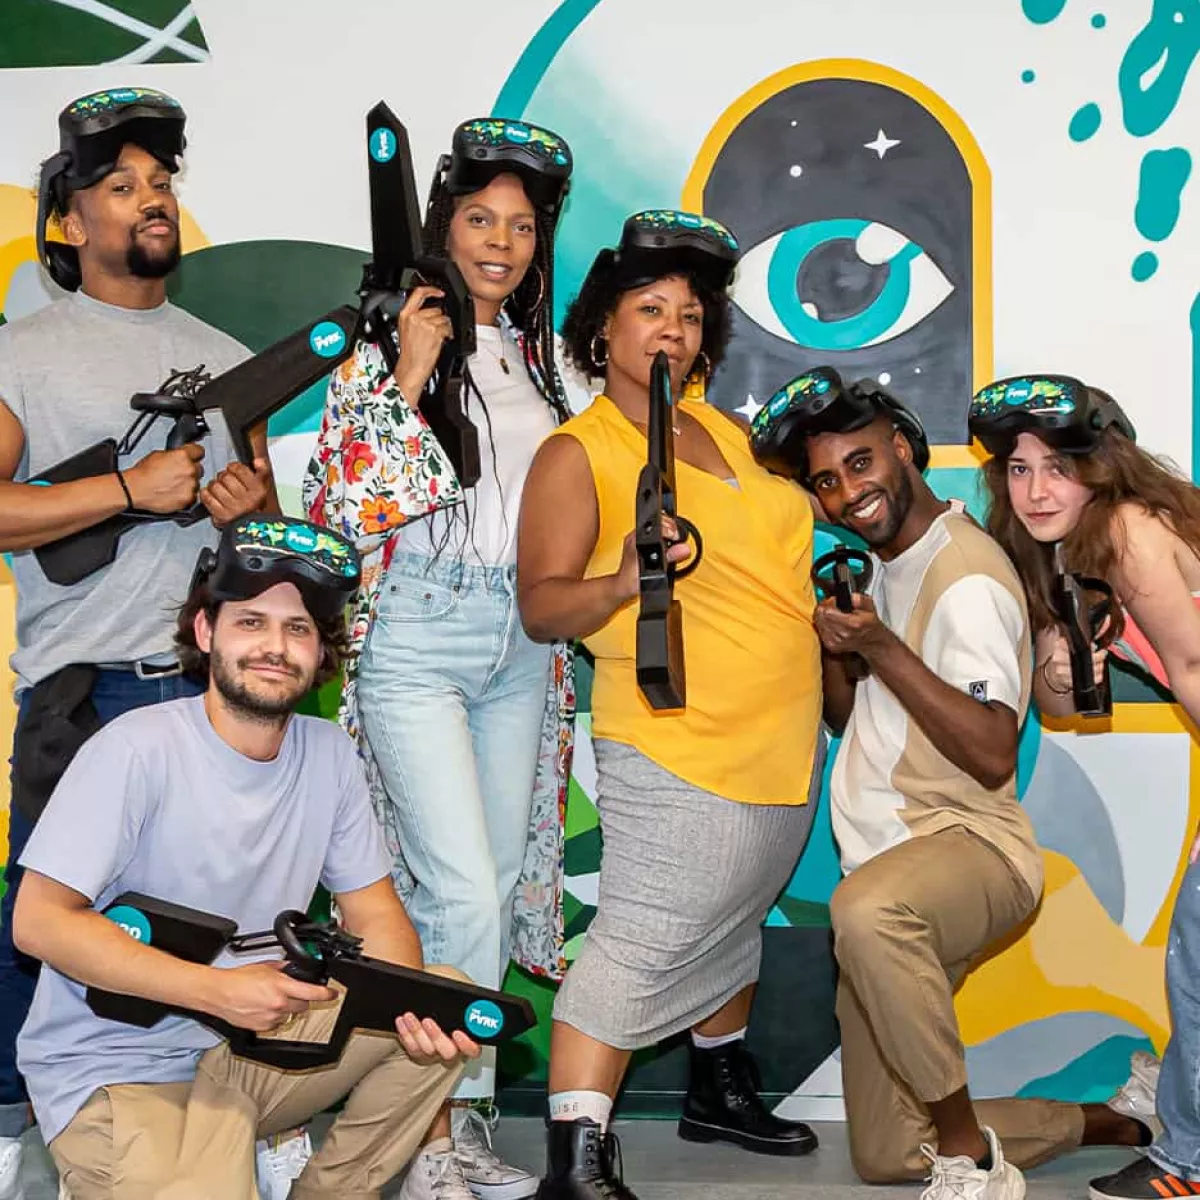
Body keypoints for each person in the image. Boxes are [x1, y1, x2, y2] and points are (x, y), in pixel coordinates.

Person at [752, 367, 1158, 1200]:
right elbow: (849, 721)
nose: (846, 494)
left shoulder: (964, 572)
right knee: (888, 1153)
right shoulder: (883, 566)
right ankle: (1094, 1123)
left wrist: (882, 649)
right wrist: (842, 648)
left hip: (968, 850)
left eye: (861, 465)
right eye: (826, 482)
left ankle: (969, 1155)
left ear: (903, 449)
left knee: (866, 912)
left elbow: (991, 751)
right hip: (891, 862)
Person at [11, 515, 481, 1199]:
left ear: (323, 653)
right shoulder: (134, 749)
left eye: (298, 630)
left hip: (247, 1051)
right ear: (206, 633)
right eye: (251, 623)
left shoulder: (329, 755)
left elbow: (377, 918)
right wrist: (219, 992)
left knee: (441, 997)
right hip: (119, 1069)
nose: (275, 647)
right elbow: (40, 924)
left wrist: (407, 1008)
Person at [0, 86, 277, 1196]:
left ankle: (202, 1113)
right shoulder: (24, 350)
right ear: (69, 220)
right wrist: (125, 488)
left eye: (161, 183)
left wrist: (241, 507)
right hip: (83, 690)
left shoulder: (227, 356)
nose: (150, 200)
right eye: (121, 186)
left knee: (212, 913)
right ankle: (18, 1126)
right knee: (48, 915)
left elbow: (263, 536)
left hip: (201, 696)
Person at [517, 210, 823, 1200]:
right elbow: (541, 604)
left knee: (732, 919)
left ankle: (716, 1086)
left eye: (691, 316)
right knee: (641, 940)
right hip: (679, 738)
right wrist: (620, 578)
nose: (673, 332)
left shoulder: (729, 430)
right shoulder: (581, 451)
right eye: (650, 310)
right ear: (601, 327)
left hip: (780, 741)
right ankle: (575, 1160)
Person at [304, 116, 576, 1200]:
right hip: (415, 631)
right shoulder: (386, 339)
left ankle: (451, 1126)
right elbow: (337, 502)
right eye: (479, 219)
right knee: (457, 887)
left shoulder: (545, 361)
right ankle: (418, 1141)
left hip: (518, 640)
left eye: (519, 226)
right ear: (442, 225)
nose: (500, 242)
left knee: (493, 886)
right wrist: (412, 368)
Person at [969, 374, 1200, 1200]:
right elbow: (1064, 709)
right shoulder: (1056, 557)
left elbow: (1194, 666)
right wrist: (1065, 666)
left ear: (1102, 466)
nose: (1036, 489)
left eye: (1058, 466)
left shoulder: (1131, 532)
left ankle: (1189, 1164)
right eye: (1019, 468)